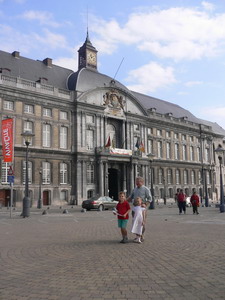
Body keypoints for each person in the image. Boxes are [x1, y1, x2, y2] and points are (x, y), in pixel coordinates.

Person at [127, 177, 152, 241]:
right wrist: (123, 201)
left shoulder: (145, 189)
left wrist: (145, 204)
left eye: (138, 181)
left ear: (142, 182)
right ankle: (137, 236)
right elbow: (130, 197)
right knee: (135, 222)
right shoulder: (134, 189)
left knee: (142, 222)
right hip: (135, 208)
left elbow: (150, 198)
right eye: (136, 181)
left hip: (142, 208)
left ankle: (142, 235)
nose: (137, 183)